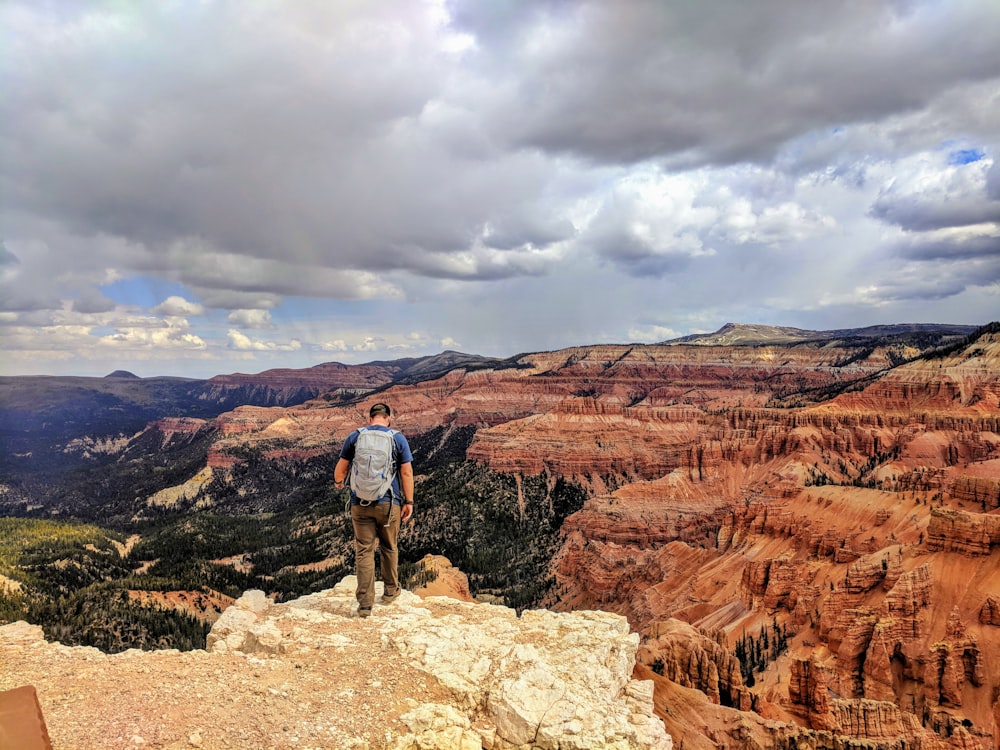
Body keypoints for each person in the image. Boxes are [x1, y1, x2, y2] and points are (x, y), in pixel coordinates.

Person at [333, 402, 414, 618]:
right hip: (389, 503)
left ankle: (365, 604)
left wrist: (339, 483)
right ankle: (390, 591)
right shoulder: (397, 438)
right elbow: (406, 473)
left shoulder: (355, 436)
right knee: (389, 546)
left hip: (360, 503)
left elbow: (341, 469)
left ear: (370, 419)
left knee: (364, 551)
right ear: (388, 418)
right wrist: (409, 502)